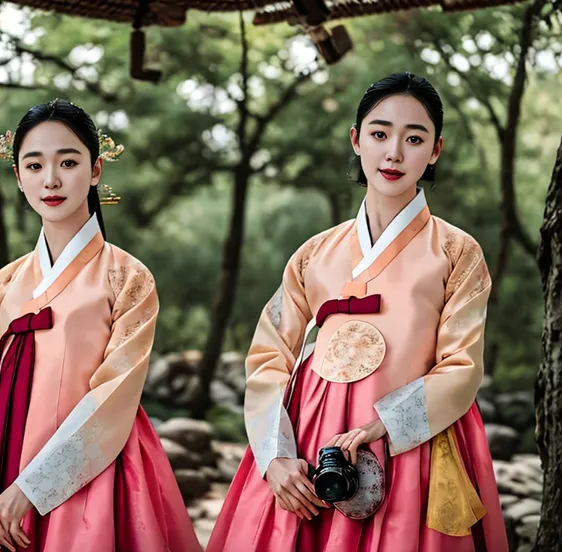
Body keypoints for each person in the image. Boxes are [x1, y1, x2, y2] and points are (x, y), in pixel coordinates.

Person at [207, 72, 508, 551]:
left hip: (410, 441)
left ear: (435, 150)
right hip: (312, 443)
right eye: (380, 133)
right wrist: (275, 457)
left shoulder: (456, 252)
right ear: (356, 139)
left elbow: (462, 365)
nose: (394, 153)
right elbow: (268, 359)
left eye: (414, 138)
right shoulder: (313, 255)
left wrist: (381, 426)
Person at [0, 99, 201, 552]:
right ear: (18, 177)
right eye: (34, 165)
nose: (50, 179)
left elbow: (114, 395)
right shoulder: (6, 283)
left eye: (68, 162)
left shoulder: (127, 278)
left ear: (95, 170)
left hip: (91, 471)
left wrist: (34, 487)